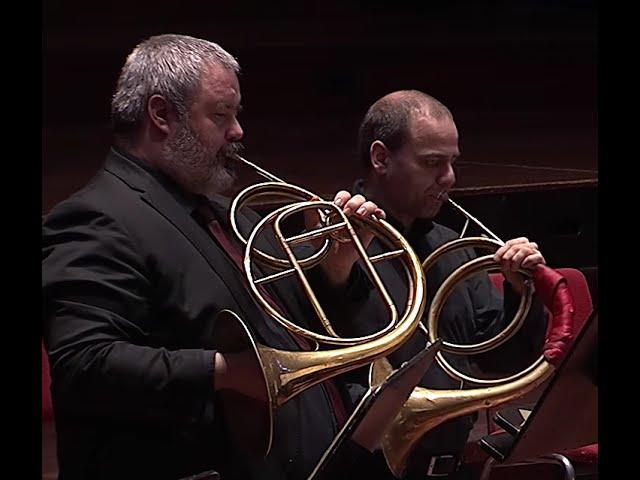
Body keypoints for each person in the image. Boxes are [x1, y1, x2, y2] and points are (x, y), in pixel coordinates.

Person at [42, 34, 399, 480]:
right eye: (220, 115)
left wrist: (338, 263)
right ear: (161, 115)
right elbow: (85, 364)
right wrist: (227, 371)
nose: (237, 131)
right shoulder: (95, 217)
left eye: (236, 114)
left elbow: (302, 329)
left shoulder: (232, 215)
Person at [346, 90, 550, 479]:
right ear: (381, 158)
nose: (449, 178)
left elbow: (499, 362)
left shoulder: (452, 247)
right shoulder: (331, 245)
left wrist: (518, 291)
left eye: (452, 162)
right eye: (432, 163)